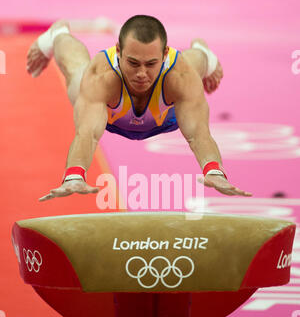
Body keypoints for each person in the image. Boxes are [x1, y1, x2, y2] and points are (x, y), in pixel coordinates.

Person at [26, 15, 252, 201]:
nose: (142, 73)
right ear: (118, 51)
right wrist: (74, 176)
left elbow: (198, 134)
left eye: (151, 64)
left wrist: (214, 170)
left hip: (168, 115)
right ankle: (59, 34)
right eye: (133, 63)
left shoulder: (179, 75)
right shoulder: (102, 75)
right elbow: (87, 134)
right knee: (78, 73)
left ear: (164, 55)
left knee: (192, 66)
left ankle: (204, 53)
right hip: (108, 114)